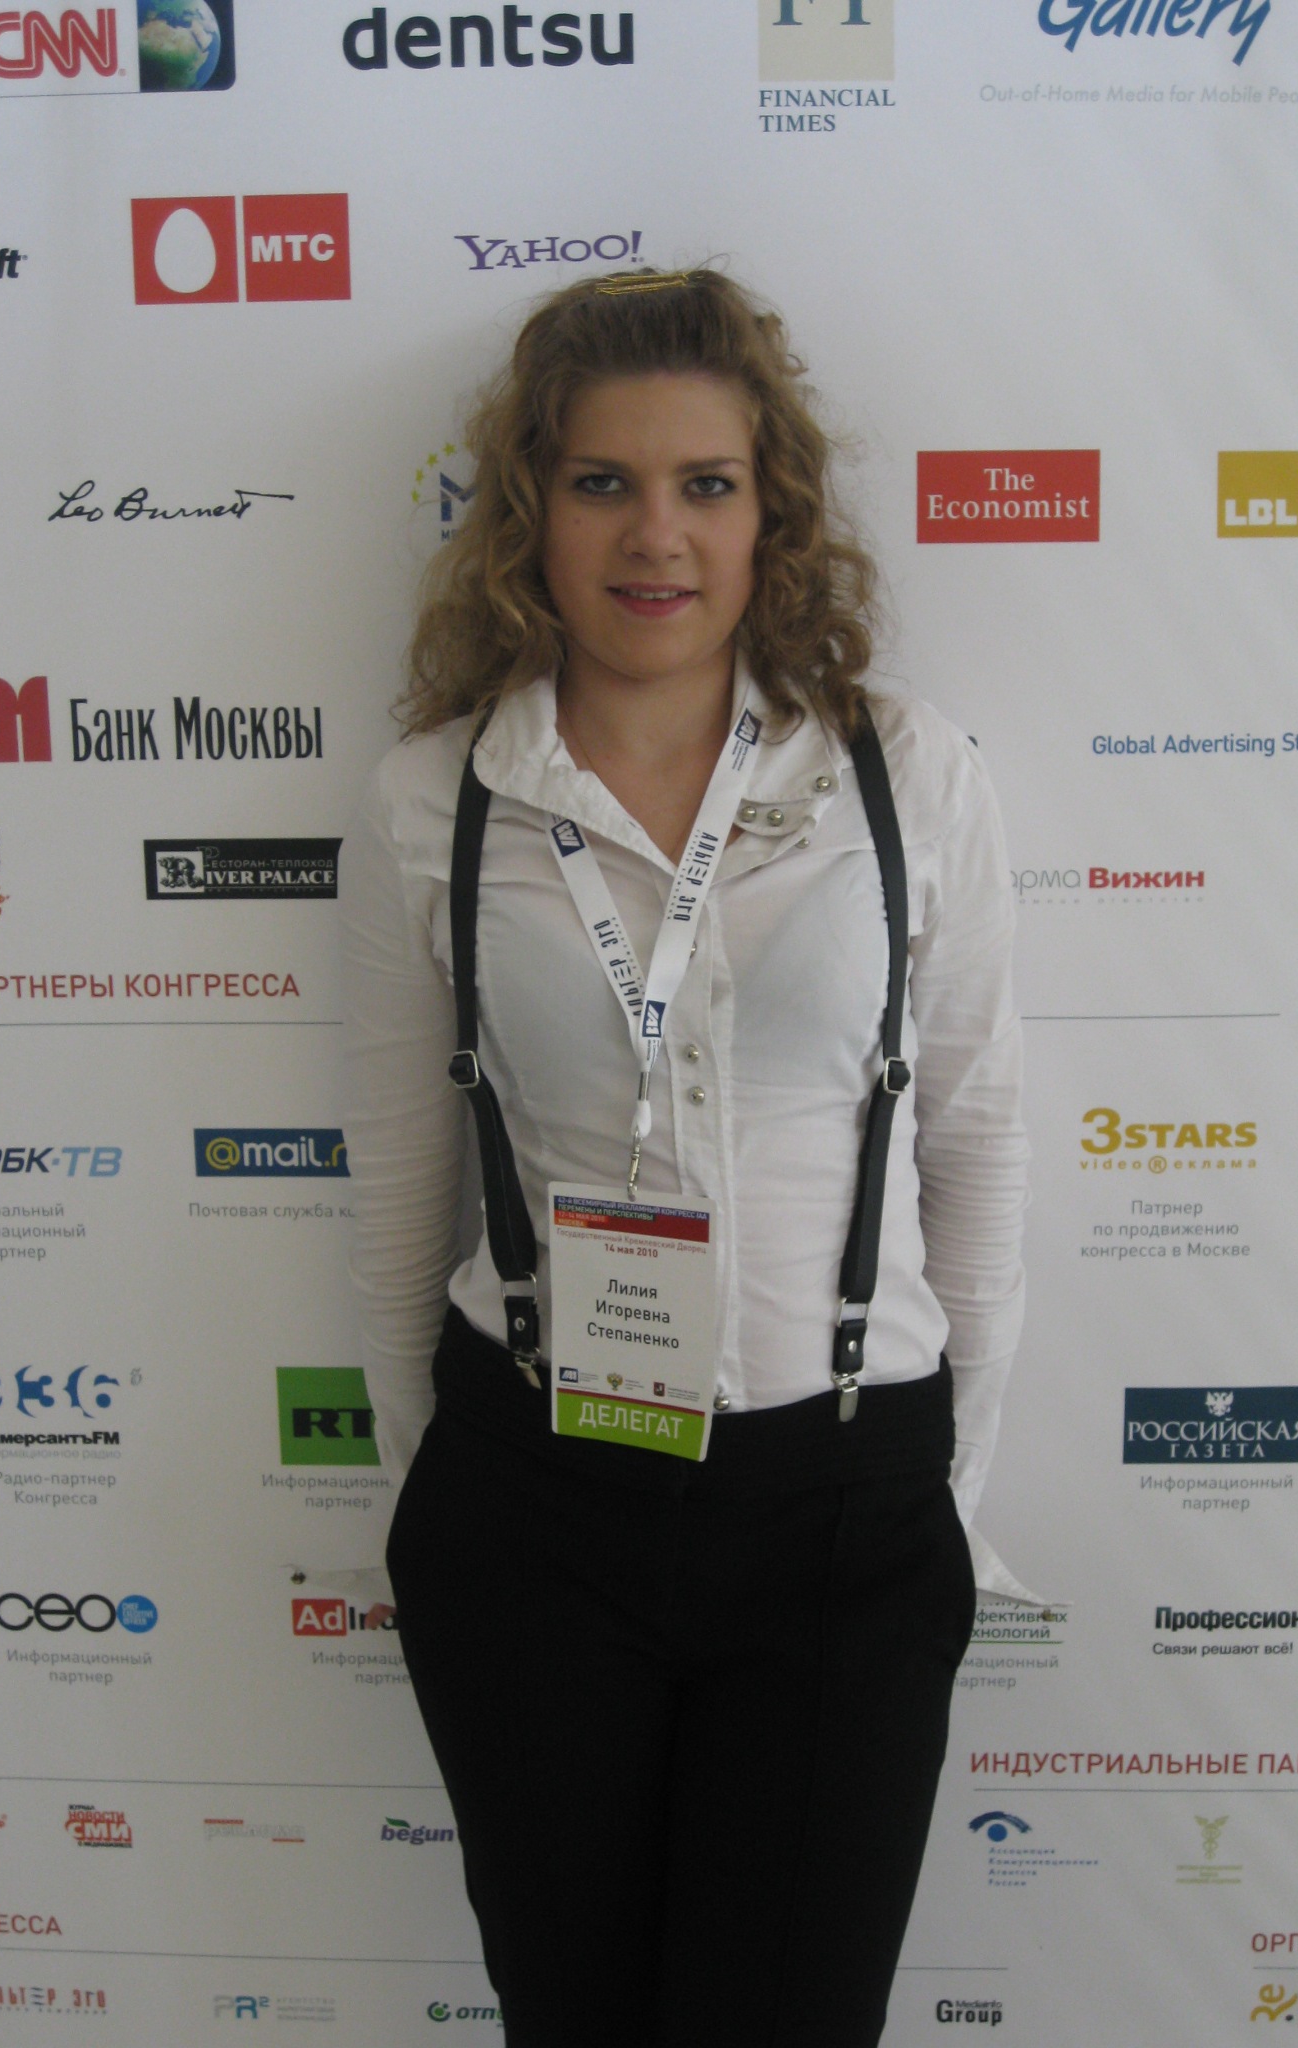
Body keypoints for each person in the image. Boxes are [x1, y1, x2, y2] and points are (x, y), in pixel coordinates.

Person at [338, 267, 1028, 2048]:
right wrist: (446, 1508)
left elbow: (974, 1147)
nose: (657, 535)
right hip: (536, 1513)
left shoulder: (908, 776)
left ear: (768, 511)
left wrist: (937, 1505)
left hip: (845, 1513)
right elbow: (401, 1194)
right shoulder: (436, 799)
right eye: (603, 483)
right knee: (570, 2017)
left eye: (706, 484)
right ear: (532, 512)